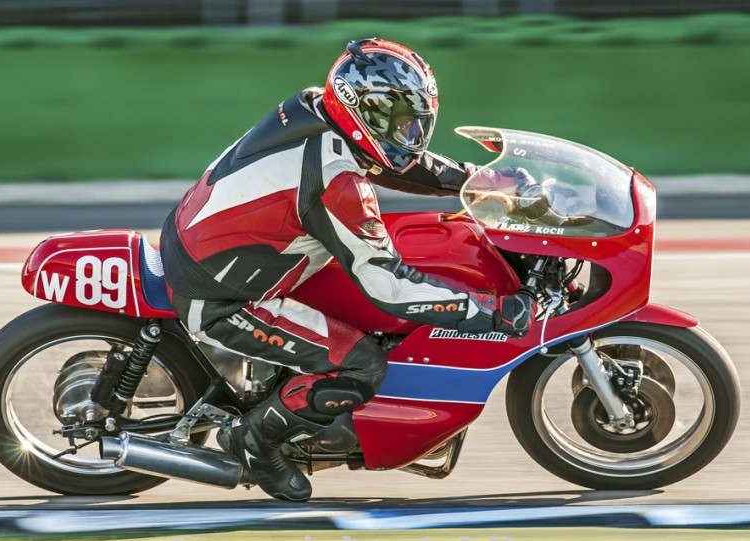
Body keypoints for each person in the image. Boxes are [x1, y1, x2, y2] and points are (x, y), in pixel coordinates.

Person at [159, 38, 537, 502]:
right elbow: (389, 286)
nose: (411, 135)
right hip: (221, 296)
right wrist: (492, 313)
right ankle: (254, 440)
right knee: (360, 363)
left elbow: (399, 163)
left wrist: (482, 181)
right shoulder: (337, 181)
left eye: (416, 123)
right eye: (401, 123)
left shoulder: (314, 109)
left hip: (218, 245)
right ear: (367, 112)